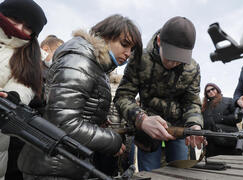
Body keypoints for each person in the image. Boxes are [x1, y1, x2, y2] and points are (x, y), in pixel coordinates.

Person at [17, 14, 143, 180]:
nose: (128, 53)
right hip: (53, 166)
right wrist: (112, 141)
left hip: (64, 162)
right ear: (105, 36)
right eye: (124, 44)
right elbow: (63, 122)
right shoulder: (80, 60)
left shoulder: (96, 65)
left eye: (132, 49)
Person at [114, 16, 206, 171]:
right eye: (170, 57)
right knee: (151, 173)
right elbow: (123, 97)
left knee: (182, 172)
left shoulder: (192, 68)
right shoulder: (139, 59)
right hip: (147, 131)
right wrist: (141, 119)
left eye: (179, 59)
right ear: (159, 41)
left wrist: (195, 125)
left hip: (179, 130)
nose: (174, 63)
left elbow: (191, 101)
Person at [0, 0, 47, 179]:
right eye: (14, 18)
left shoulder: (27, 59)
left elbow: (23, 88)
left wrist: (11, 99)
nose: (19, 28)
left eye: (27, 27)